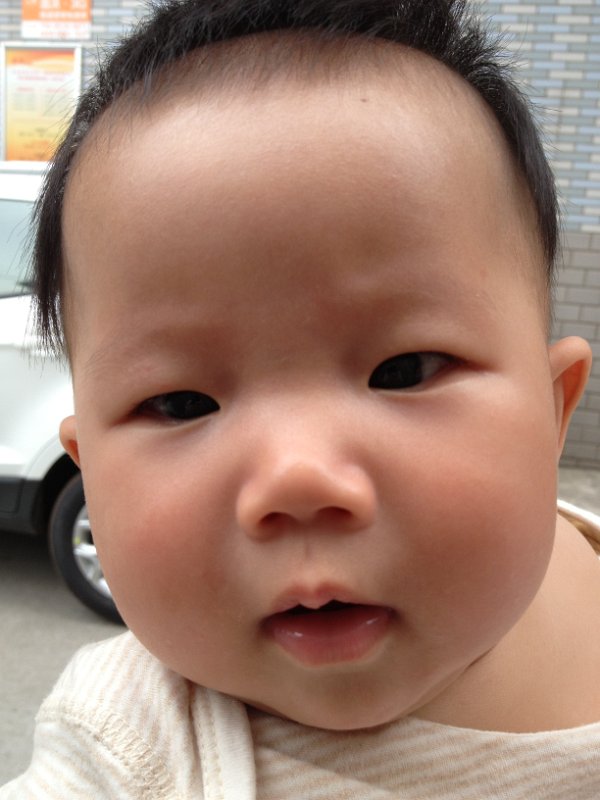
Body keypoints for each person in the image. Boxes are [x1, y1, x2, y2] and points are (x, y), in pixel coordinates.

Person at [3, 0, 599, 796]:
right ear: (92, 473)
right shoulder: (130, 749)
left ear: (552, 412)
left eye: (405, 369)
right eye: (182, 405)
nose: (299, 477)